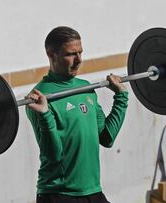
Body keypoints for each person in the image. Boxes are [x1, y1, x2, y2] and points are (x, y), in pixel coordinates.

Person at [25, 26, 129, 203]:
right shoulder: (39, 98)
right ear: (51, 55)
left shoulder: (86, 88)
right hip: (58, 194)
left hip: (92, 190)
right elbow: (53, 156)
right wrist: (44, 115)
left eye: (80, 53)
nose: (78, 60)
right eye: (71, 54)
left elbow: (106, 138)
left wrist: (121, 97)